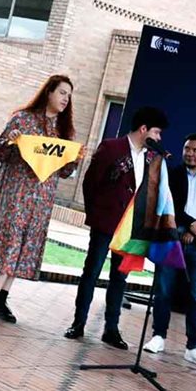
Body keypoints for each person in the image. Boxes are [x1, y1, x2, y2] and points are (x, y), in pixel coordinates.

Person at [0, 75, 83, 325]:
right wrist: (12, 141)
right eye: (62, 92)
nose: (66, 99)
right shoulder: (23, 119)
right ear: (49, 92)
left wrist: (74, 159)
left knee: (22, 248)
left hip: (41, 201)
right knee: (8, 244)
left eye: (69, 95)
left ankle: (2, 300)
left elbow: (64, 171)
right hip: (15, 195)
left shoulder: (64, 132)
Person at [64, 107, 168, 349]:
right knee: (91, 272)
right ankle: (78, 323)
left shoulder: (152, 157)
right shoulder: (110, 148)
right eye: (157, 132)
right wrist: (97, 214)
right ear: (144, 129)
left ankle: (111, 329)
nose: (159, 138)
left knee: (120, 279)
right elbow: (90, 184)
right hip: (105, 223)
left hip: (131, 229)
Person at [143, 132, 196, 368]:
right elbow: (170, 205)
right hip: (172, 238)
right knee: (164, 291)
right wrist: (190, 224)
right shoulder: (173, 175)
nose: (190, 153)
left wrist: (194, 229)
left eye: (195, 150)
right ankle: (158, 337)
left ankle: (194, 348)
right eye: (187, 148)